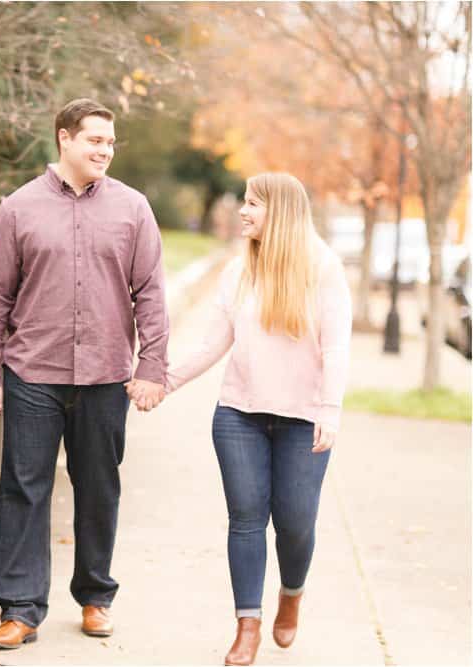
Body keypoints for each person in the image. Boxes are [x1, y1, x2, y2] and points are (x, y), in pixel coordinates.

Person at [0, 98, 170, 649]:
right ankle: (20, 609)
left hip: (107, 375)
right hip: (33, 370)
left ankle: (95, 597)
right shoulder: (19, 208)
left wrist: (152, 365)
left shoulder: (133, 209)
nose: (105, 150)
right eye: (95, 140)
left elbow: (150, 293)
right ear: (64, 138)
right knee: (24, 490)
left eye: (110, 142)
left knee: (99, 489)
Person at [161, 172, 352, 665]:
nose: (242, 211)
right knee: (246, 519)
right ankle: (247, 626)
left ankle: (291, 594)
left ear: (281, 211)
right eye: (244, 202)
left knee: (295, 522)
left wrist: (329, 410)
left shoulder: (323, 268)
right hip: (239, 414)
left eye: (252, 203)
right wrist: (164, 380)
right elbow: (212, 344)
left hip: (302, 418)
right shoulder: (239, 270)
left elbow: (335, 347)